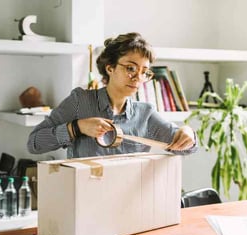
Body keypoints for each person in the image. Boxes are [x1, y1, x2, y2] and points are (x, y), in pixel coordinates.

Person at [27, 32, 197, 158]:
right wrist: (77, 127)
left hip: (129, 201)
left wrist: (188, 133)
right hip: (85, 200)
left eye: (144, 72)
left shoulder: (145, 114)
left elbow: (187, 148)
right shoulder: (80, 101)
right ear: (110, 68)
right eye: (131, 68)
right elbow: (34, 144)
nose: (138, 78)